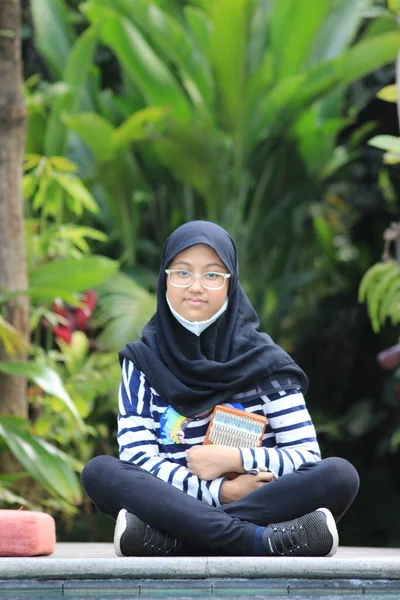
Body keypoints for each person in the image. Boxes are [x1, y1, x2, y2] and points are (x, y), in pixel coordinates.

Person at [81, 221, 359, 557]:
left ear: (230, 284)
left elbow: (304, 456)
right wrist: (221, 492)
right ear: (165, 280)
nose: (195, 286)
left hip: (243, 501)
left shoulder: (265, 362)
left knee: (339, 475)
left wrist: (234, 459)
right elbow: (138, 459)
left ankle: (177, 540)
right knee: (101, 473)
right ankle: (260, 541)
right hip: (184, 500)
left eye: (212, 275)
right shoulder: (142, 362)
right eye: (182, 273)